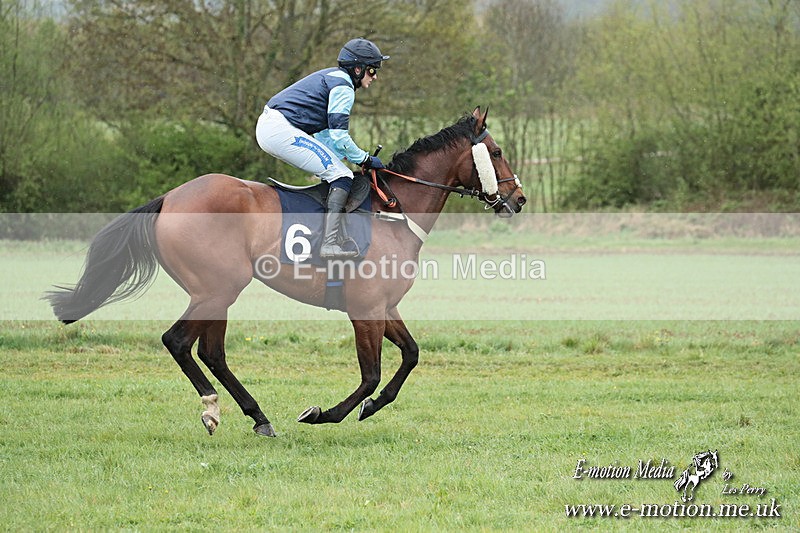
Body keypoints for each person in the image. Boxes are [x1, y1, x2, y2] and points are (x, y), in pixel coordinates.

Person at [256, 38, 389, 259]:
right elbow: (339, 136)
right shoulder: (344, 87)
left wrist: (346, 158)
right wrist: (364, 159)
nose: (375, 76)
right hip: (278, 129)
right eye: (372, 70)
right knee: (341, 175)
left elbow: (326, 136)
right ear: (358, 69)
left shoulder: (333, 78)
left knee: (337, 171)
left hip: (273, 127)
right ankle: (329, 244)